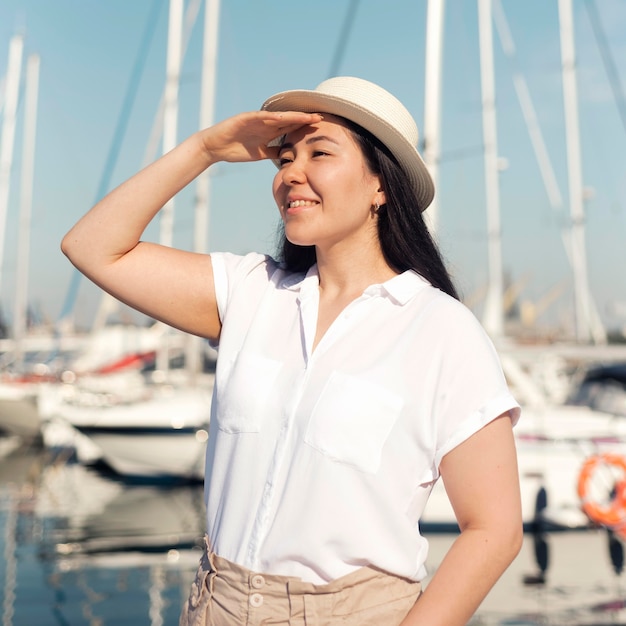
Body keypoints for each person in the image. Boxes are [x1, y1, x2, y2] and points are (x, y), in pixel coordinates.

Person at [62, 76, 523, 626]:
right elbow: (91, 247)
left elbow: (494, 529)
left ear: (381, 185)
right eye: (284, 159)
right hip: (216, 605)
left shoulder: (440, 330)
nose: (289, 175)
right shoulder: (251, 292)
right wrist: (204, 149)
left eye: (319, 153)